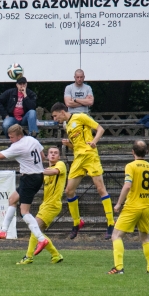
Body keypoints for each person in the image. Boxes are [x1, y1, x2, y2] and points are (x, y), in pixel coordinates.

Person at [0, 124, 53, 260]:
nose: (10, 140)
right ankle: (3, 231)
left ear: (19, 136)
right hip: (37, 176)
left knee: (24, 212)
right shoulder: (32, 140)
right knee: (12, 199)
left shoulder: (18, 146)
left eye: (12, 137)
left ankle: (41, 239)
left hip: (30, 178)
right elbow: (42, 157)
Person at [50, 102, 114, 239]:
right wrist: (69, 144)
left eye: (55, 116)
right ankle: (77, 222)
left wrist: (94, 141)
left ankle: (110, 223)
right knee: (69, 191)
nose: (55, 119)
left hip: (90, 155)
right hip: (78, 158)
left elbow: (100, 129)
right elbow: (76, 146)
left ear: (62, 112)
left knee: (100, 188)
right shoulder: (67, 125)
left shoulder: (80, 117)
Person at [107, 139, 149, 275]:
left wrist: (119, 203)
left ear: (132, 152)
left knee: (116, 235)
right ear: (146, 151)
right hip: (146, 206)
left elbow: (127, 185)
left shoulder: (131, 166)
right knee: (145, 238)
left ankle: (118, 268)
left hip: (132, 206)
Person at [19, 146, 67, 265]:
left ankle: (28, 257)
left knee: (34, 228)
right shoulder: (44, 171)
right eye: (51, 152)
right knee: (37, 231)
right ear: (47, 156)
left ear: (59, 156)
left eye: (55, 153)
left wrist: (35, 169)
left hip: (53, 205)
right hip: (45, 205)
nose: (53, 154)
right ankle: (55, 255)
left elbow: (54, 172)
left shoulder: (60, 165)